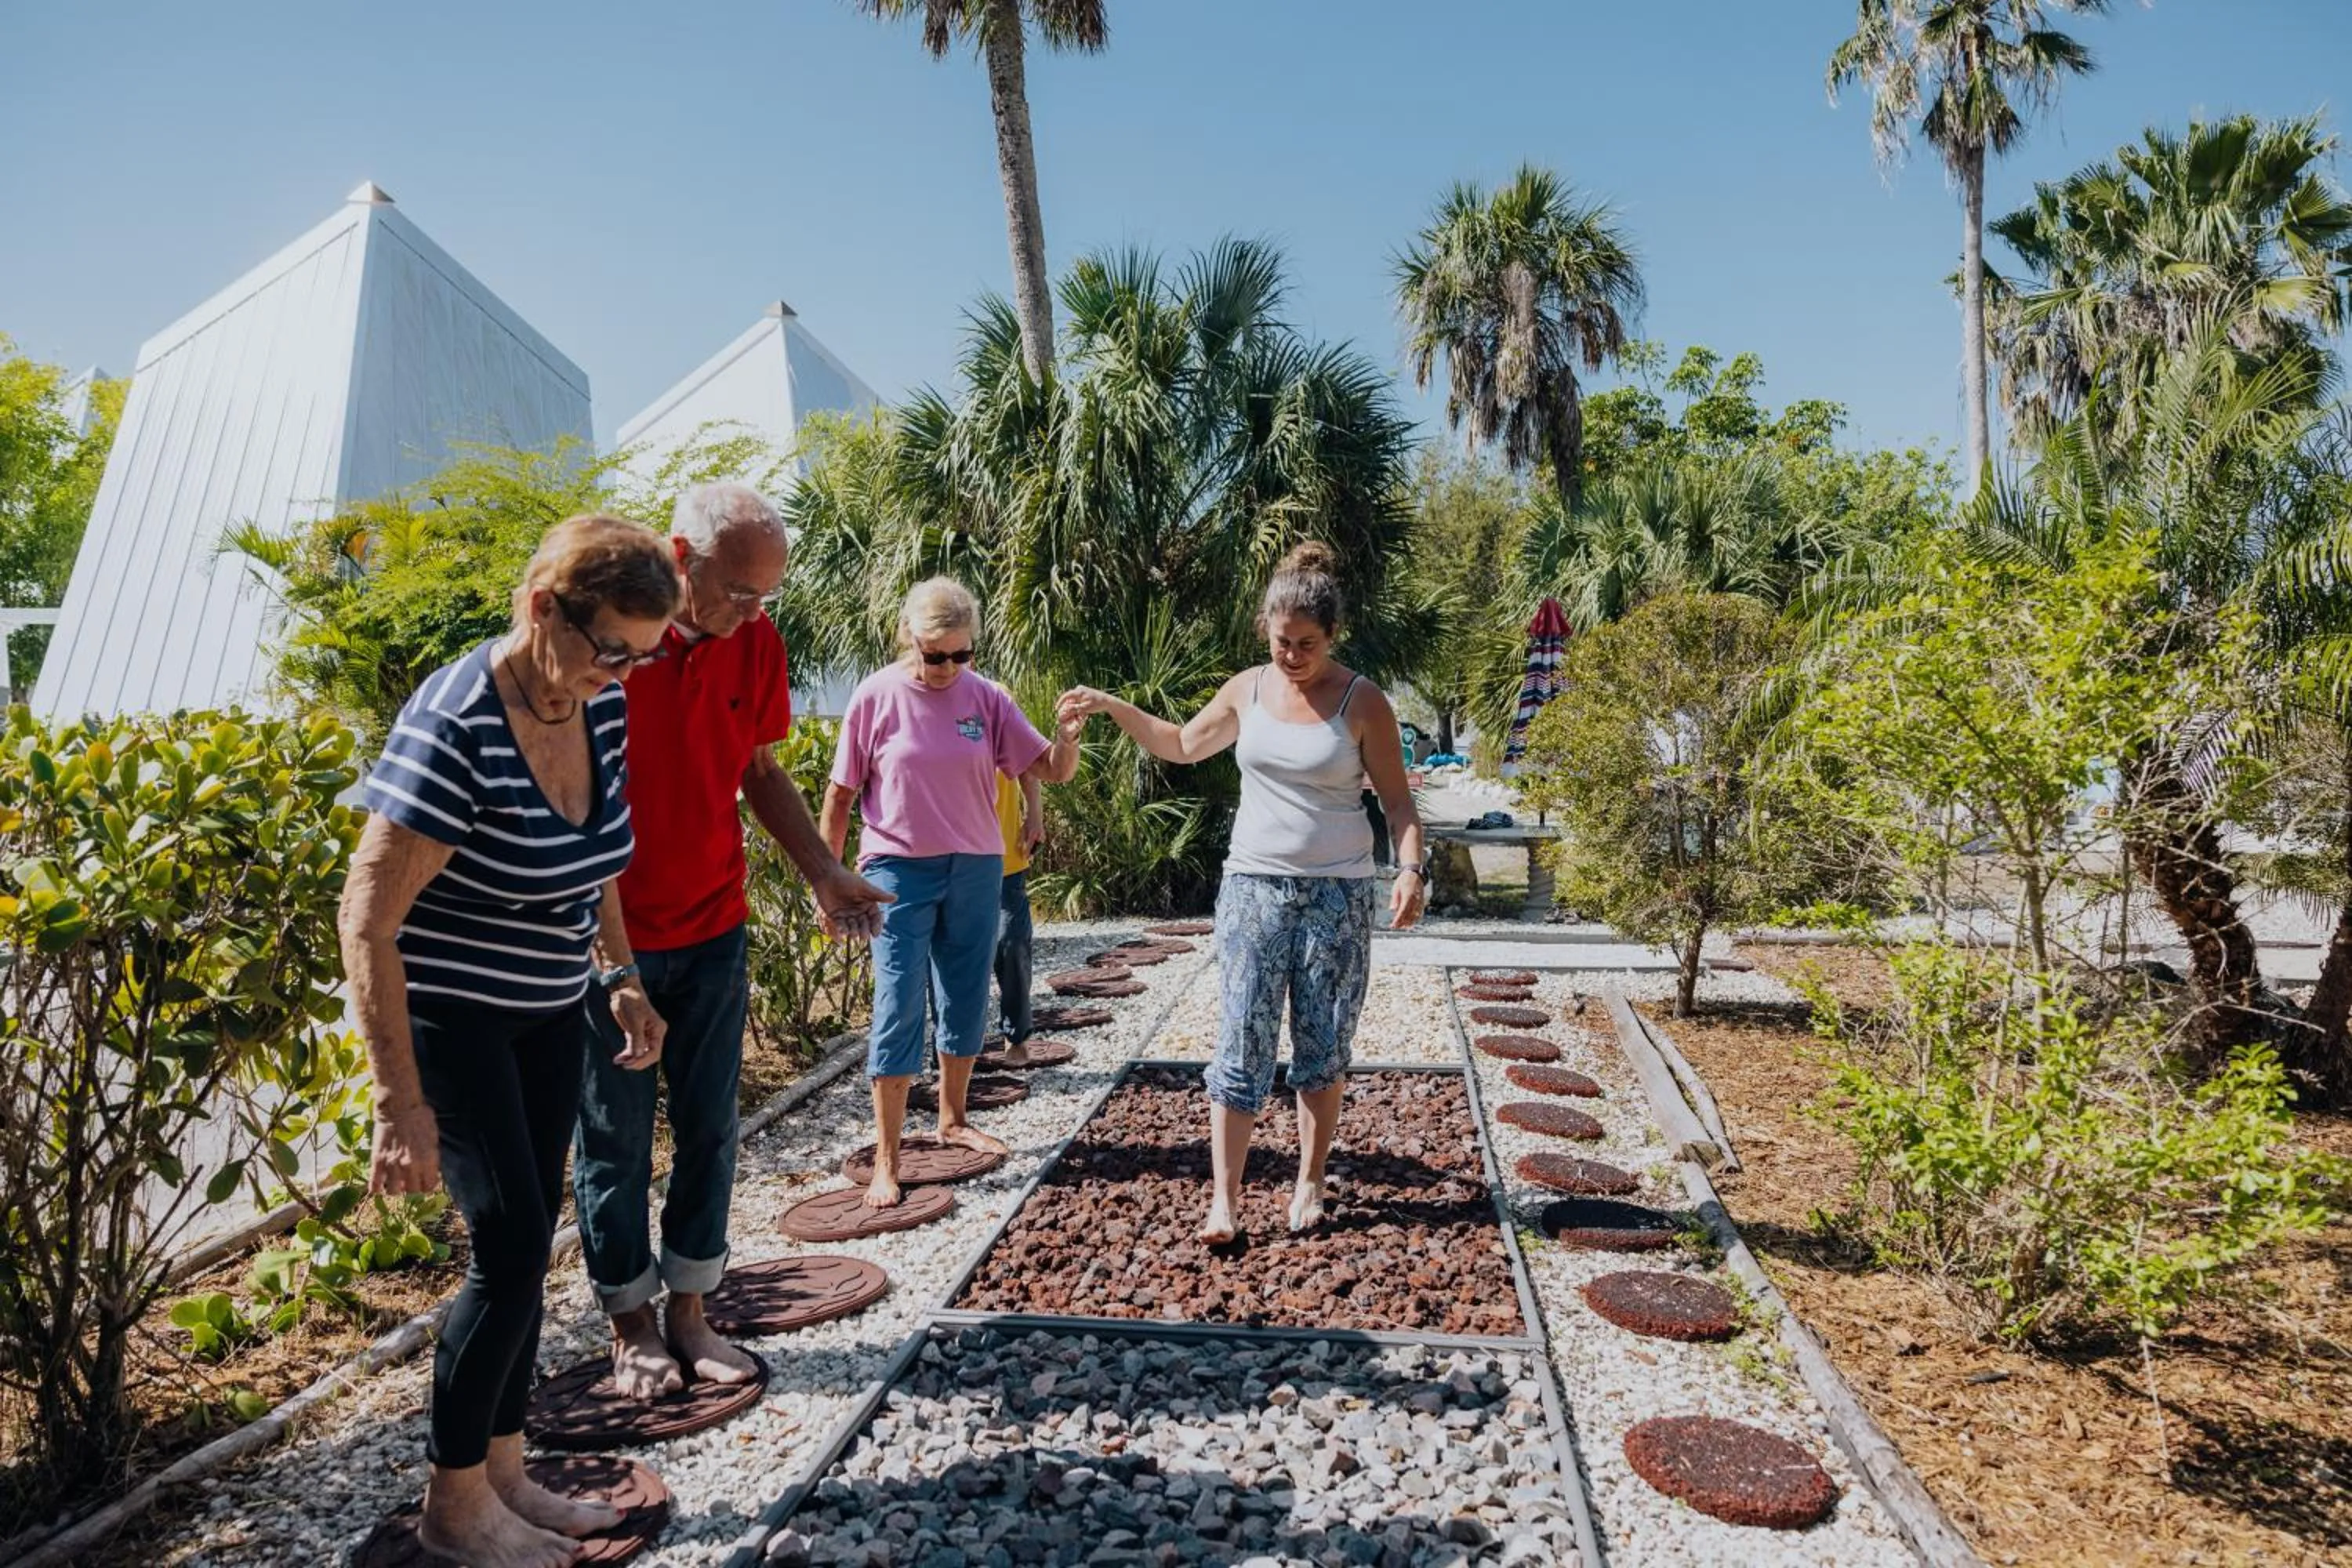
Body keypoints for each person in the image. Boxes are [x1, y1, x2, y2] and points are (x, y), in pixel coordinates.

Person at [340, 515, 677, 1568]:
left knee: (533, 1256)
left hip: (546, 1014)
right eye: (612, 649)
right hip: (454, 1018)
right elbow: (367, 915)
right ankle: (452, 1509)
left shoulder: (594, 703)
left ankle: (505, 1475)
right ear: (544, 608)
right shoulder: (456, 724)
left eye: (641, 657)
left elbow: (596, 861)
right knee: (508, 1250)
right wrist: (401, 1105)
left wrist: (616, 978)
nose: (624, 676)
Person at [572, 484, 893, 1403]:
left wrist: (821, 868)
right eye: (738, 591)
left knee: (712, 1128)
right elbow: (579, 817)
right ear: (682, 556)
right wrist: (614, 964)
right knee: (615, 1137)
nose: (752, 613)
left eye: (767, 597)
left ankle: (691, 1312)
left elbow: (756, 767)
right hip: (616, 937)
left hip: (715, 923)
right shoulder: (612, 649)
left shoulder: (754, 641)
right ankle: (629, 1326)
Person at [1058, 541, 1427, 1243]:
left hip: (1337, 896)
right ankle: (1223, 1201)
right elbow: (1180, 744)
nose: (1293, 656)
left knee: (1323, 1042)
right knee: (1241, 1038)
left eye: (1308, 645)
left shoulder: (1362, 701)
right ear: (1266, 628)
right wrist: (1112, 706)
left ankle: (1310, 1181)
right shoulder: (1246, 689)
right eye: (1283, 641)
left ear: (1333, 636)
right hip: (1253, 887)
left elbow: (1400, 807)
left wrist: (1410, 870)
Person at [819, 579, 1082, 1207]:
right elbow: (839, 796)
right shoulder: (875, 695)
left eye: (961, 655)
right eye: (936, 655)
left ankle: (953, 1118)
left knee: (965, 996)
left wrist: (1067, 735)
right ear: (909, 636)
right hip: (895, 872)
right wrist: (827, 882)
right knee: (898, 999)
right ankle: (887, 1155)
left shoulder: (986, 697)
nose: (947, 668)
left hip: (975, 866)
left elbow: (1048, 767)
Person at [992, 767, 1046, 1064]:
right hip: (952, 865)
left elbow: (1028, 768)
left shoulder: (1003, 718)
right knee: (951, 956)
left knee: (1012, 943)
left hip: (1006, 862)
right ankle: (947, 1050)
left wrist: (1034, 815)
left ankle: (1016, 1035)